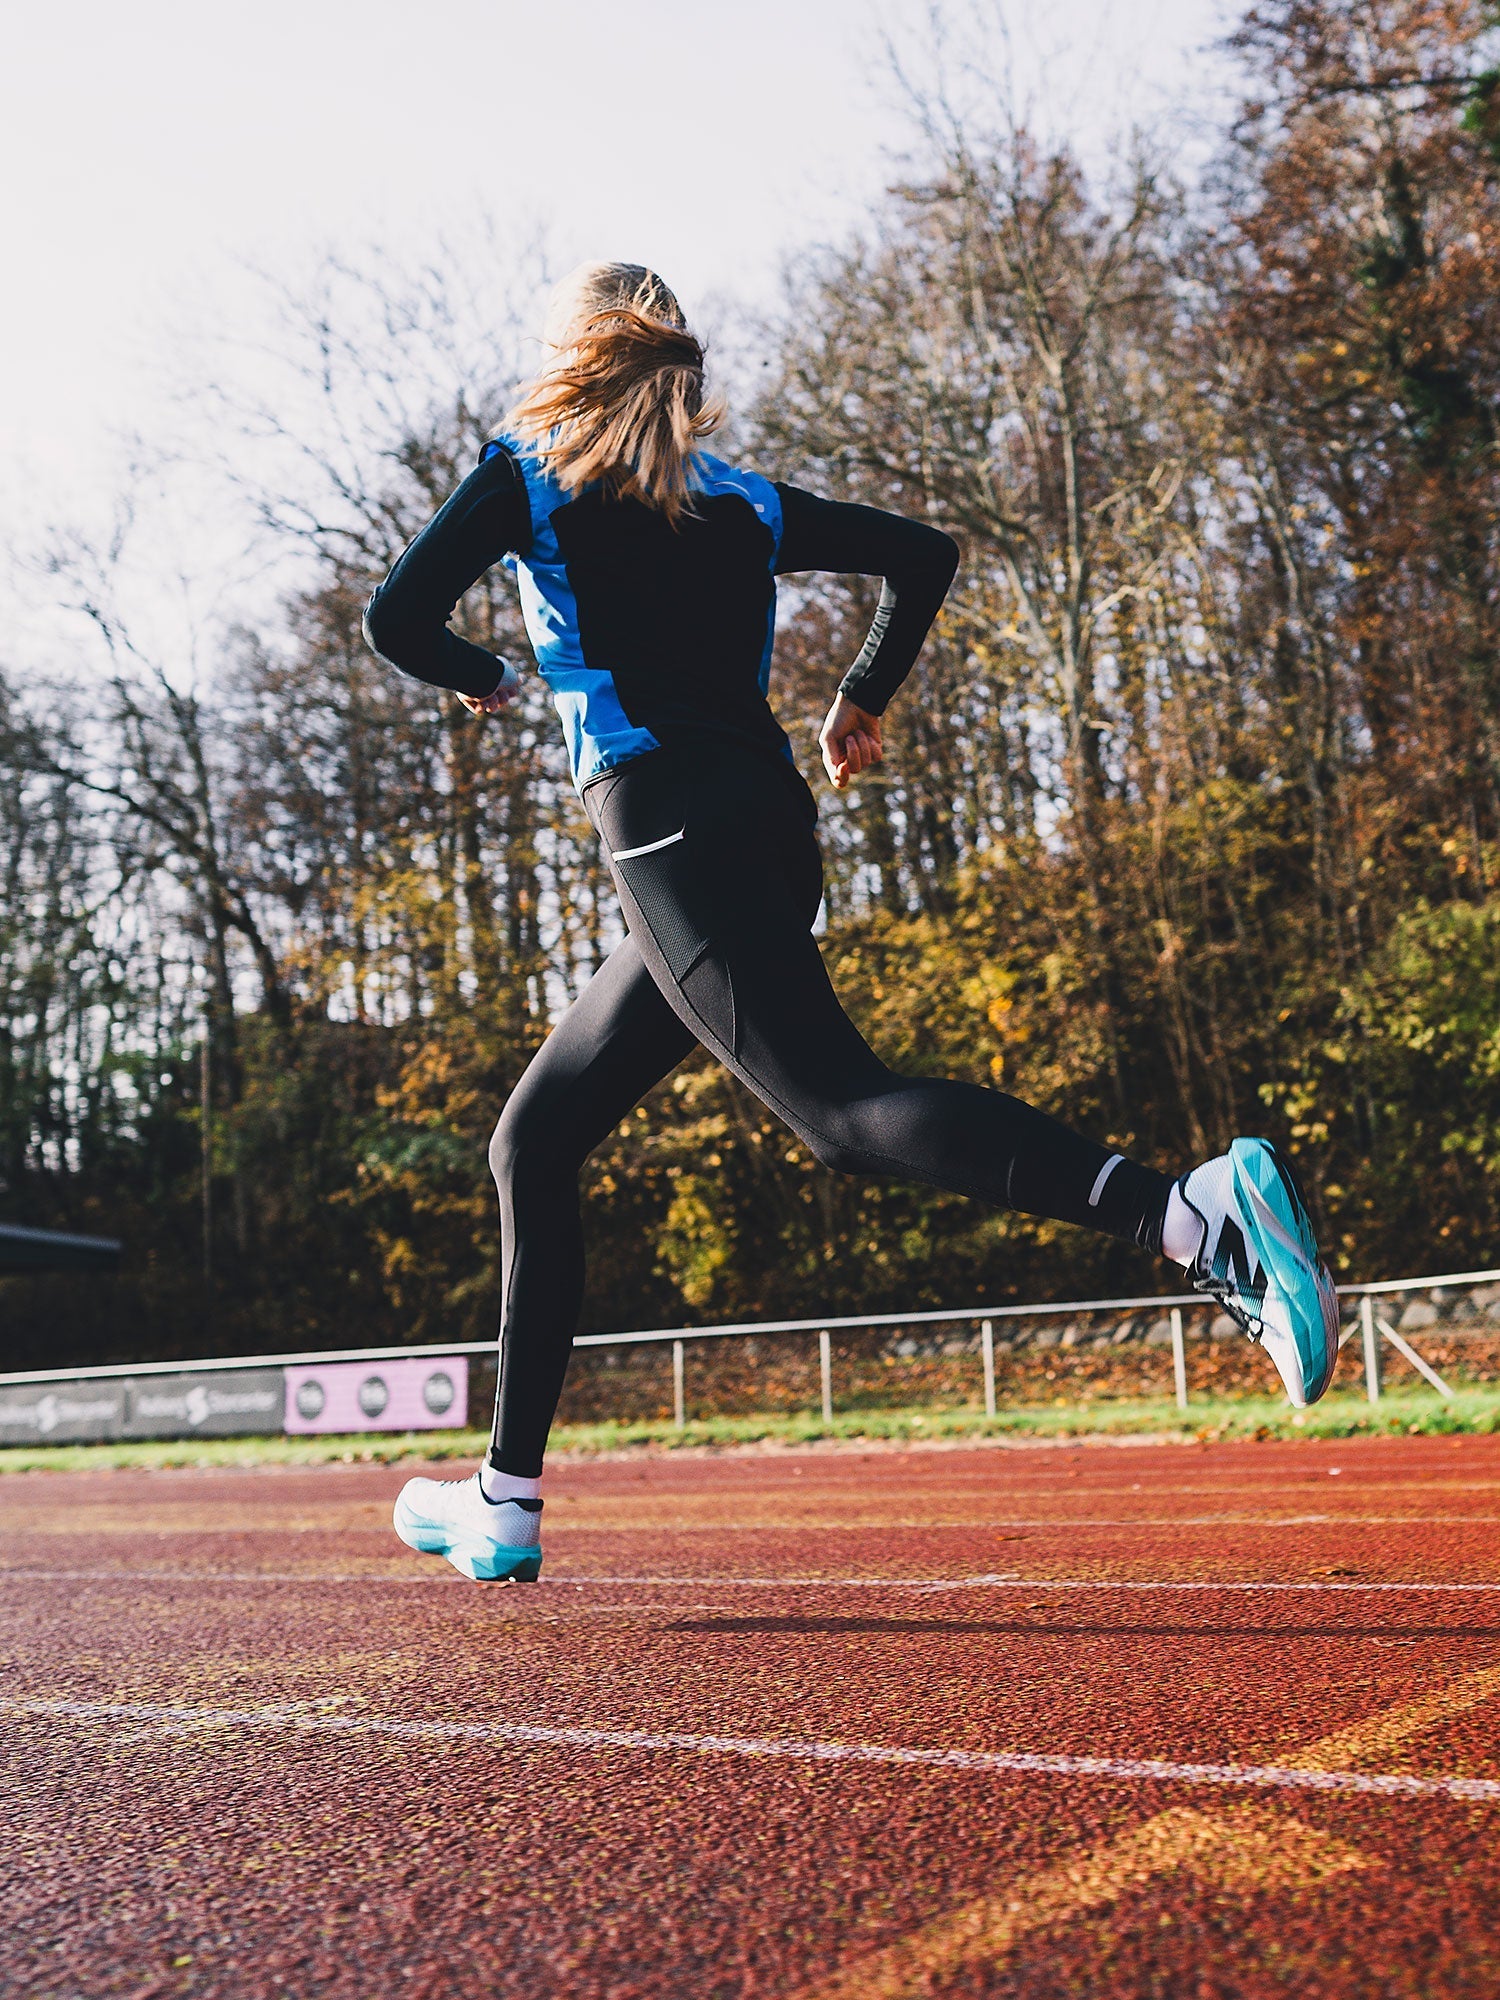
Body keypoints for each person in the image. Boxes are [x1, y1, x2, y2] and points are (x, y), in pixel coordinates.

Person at [364, 261, 1339, 1583]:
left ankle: (1187, 1212)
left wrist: (489, 677)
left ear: (572, 355)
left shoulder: (528, 472)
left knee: (842, 1114)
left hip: (661, 830)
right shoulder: (748, 504)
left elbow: (398, 618)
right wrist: (861, 694)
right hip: (767, 824)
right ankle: (506, 1502)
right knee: (533, 1140)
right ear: (682, 379)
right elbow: (920, 556)